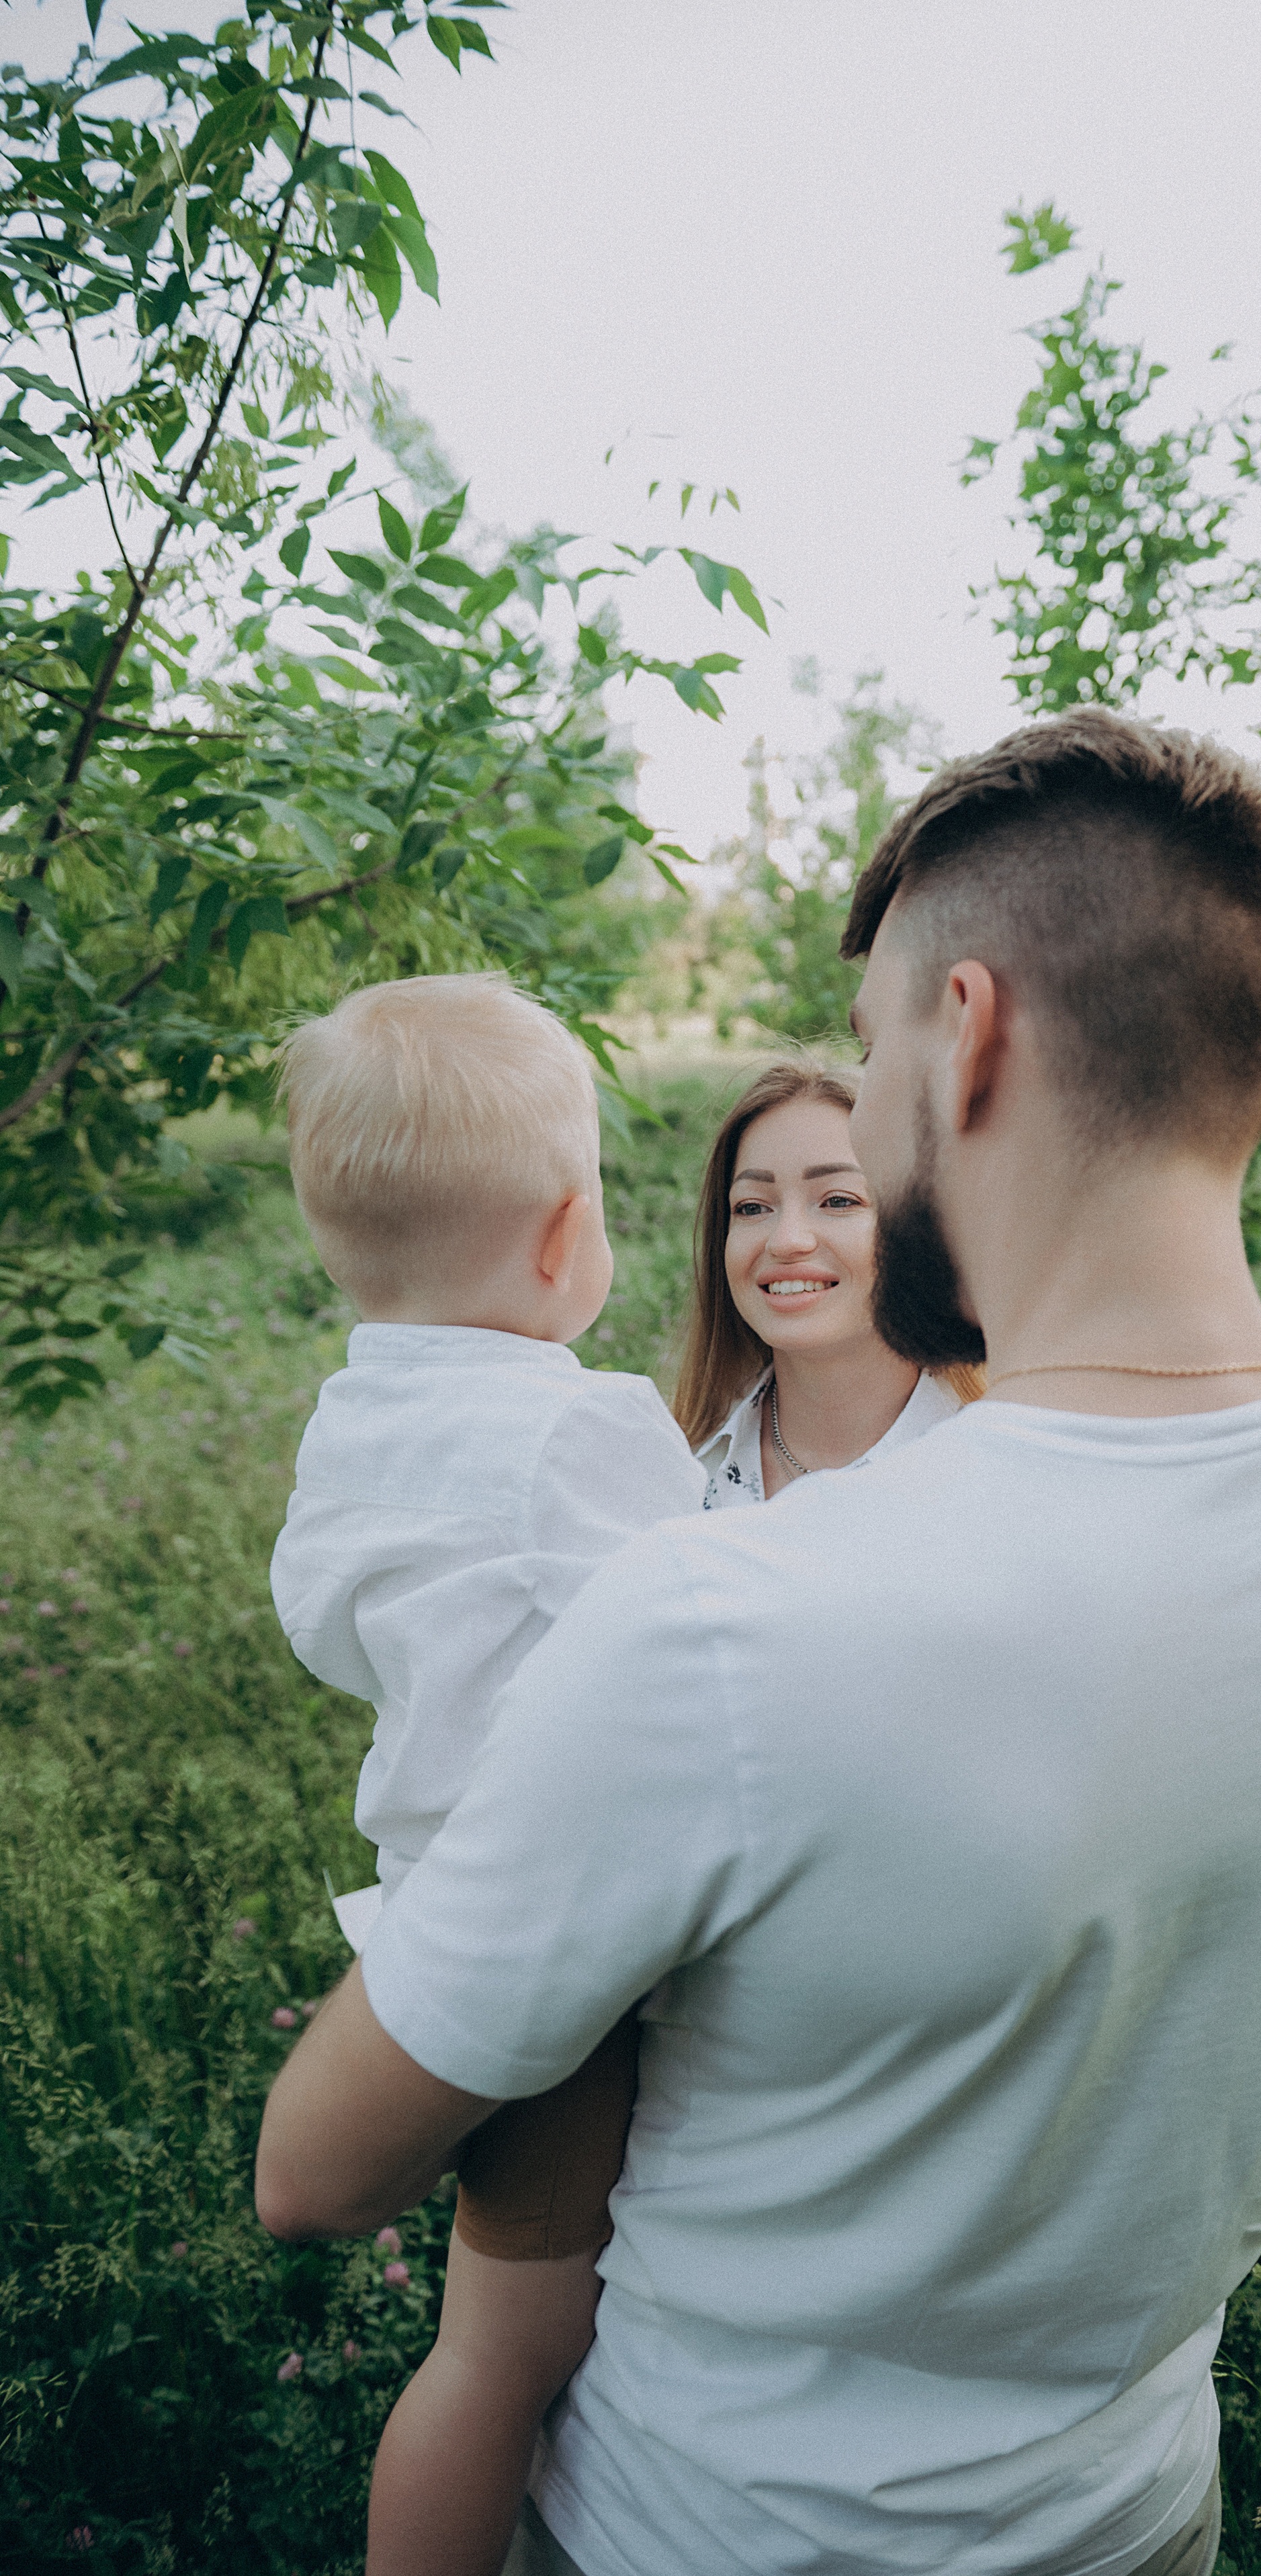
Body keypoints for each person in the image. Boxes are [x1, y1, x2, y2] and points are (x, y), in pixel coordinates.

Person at [257, 712, 1261, 2576]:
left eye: (866, 1058)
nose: (853, 1117)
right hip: (1135, 2520)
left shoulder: (724, 1618)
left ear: (973, 1029)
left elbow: (318, 2172)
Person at [268, 972, 704, 2576]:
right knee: (515, 2351)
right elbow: (714, 1619)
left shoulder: (352, 1421)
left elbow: (326, 1619)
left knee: (477, 2337)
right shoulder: (579, 1427)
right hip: (551, 1947)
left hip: (422, 1921)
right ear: (561, 1234)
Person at [674, 1058, 981, 1504]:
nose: (786, 1241)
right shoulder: (672, 1472)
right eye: (753, 1207)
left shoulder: (994, 1477)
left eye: (839, 1200)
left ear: (923, 1229)